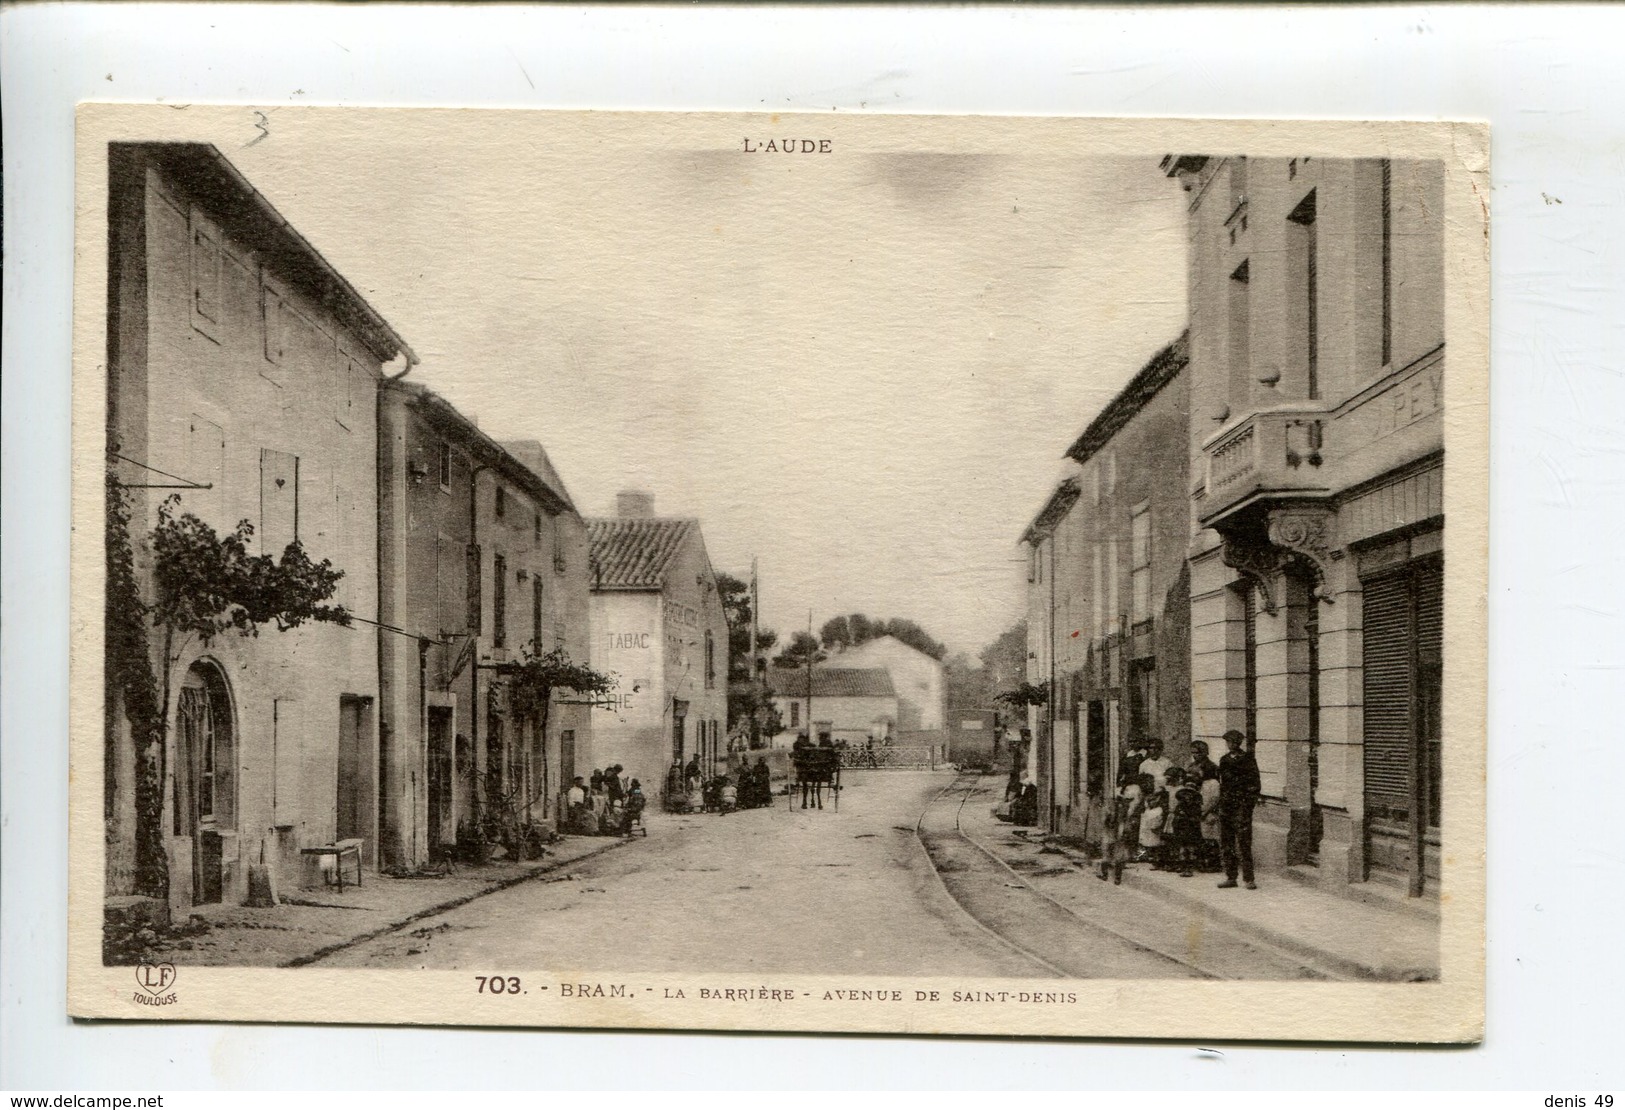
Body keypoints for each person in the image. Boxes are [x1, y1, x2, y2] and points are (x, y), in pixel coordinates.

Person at [1216, 729, 1262, 889]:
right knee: (1227, 842)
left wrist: (1248, 804)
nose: (1231, 745)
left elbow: (1255, 784)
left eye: (1234, 742)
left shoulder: (1248, 759)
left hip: (1242, 805)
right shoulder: (1224, 760)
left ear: (1239, 743)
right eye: (1228, 741)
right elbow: (1222, 784)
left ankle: (1249, 879)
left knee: (1244, 842)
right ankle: (1231, 877)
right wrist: (1221, 805)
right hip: (1227, 805)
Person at [1168, 767, 1203, 878]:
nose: (1187, 797)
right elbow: (1177, 817)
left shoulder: (1196, 807)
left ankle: (1189, 868)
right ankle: (1182, 866)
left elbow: (1196, 818)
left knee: (1191, 849)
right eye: (1185, 794)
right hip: (1181, 829)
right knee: (1182, 849)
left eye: (1190, 794)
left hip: (1191, 830)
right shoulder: (1180, 806)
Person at [1137, 772, 1166, 867]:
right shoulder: (1142, 793)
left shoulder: (1156, 793)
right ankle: (1145, 854)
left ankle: (1155, 856)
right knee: (1145, 835)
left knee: (1155, 836)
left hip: (1154, 813)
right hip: (1147, 815)